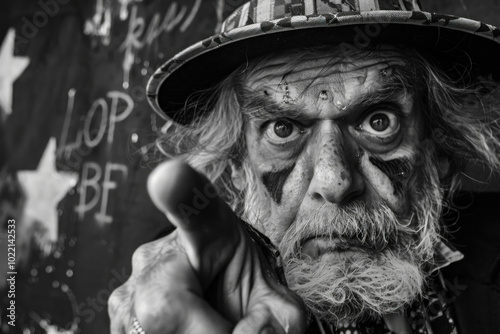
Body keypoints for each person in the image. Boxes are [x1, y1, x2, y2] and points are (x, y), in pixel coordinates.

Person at [108, 0, 500, 333]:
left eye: (379, 121)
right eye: (283, 128)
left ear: (440, 153)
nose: (334, 181)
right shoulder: (203, 278)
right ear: (238, 169)